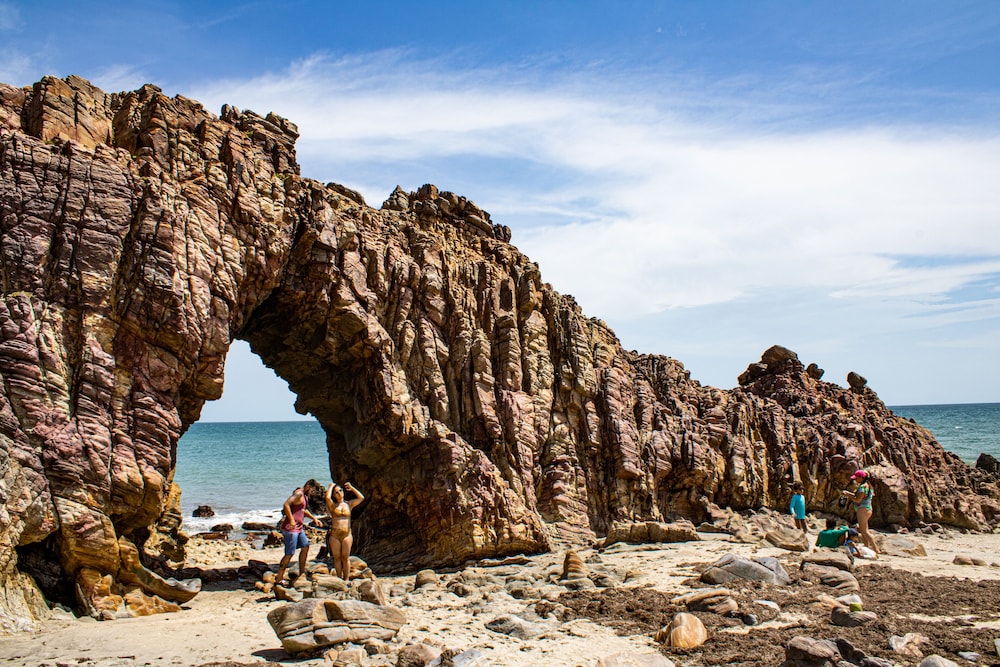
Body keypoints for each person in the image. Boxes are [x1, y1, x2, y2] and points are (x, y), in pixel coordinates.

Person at [275, 479, 324, 586]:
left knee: (305, 547)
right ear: (308, 486)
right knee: (289, 554)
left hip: (299, 528)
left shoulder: (305, 497)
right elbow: (286, 504)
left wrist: (314, 518)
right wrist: (292, 520)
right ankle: (279, 578)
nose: (312, 493)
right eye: (312, 490)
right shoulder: (299, 494)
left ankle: (302, 573)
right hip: (291, 529)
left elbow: (303, 509)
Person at [325, 481, 365, 581]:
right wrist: (330, 487)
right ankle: (339, 578)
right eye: (336, 492)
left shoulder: (349, 504)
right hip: (335, 534)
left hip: (347, 533)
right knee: (337, 558)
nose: (339, 493)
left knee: (345, 557)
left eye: (340, 491)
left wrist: (352, 488)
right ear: (334, 495)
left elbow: (361, 498)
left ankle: (346, 578)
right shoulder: (333, 506)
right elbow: (327, 498)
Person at [842, 469, 879, 555]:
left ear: (861, 478)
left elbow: (858, 499)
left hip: (863, 510)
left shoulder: (863, 487)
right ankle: (866, 547)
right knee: (863, 530)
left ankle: (876, 549)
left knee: (865, 531)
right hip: (866, 509)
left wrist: (848, 495)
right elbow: (858, 496)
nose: (855, 480)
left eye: (857, 478)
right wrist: (849, 493)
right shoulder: (867, 486)